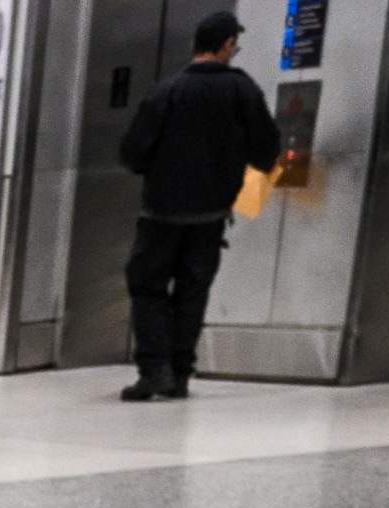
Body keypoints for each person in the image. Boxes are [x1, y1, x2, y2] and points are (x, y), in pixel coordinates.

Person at [119, 11, 283, 401]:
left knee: (147, 286)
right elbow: (267, 151)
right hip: (211, 215)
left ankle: (154, 370)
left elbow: (132, 152)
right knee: (193, 291)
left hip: (160, 212)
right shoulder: (244, 91)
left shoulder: (167, 90)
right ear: (226, 44)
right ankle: (179, 373)